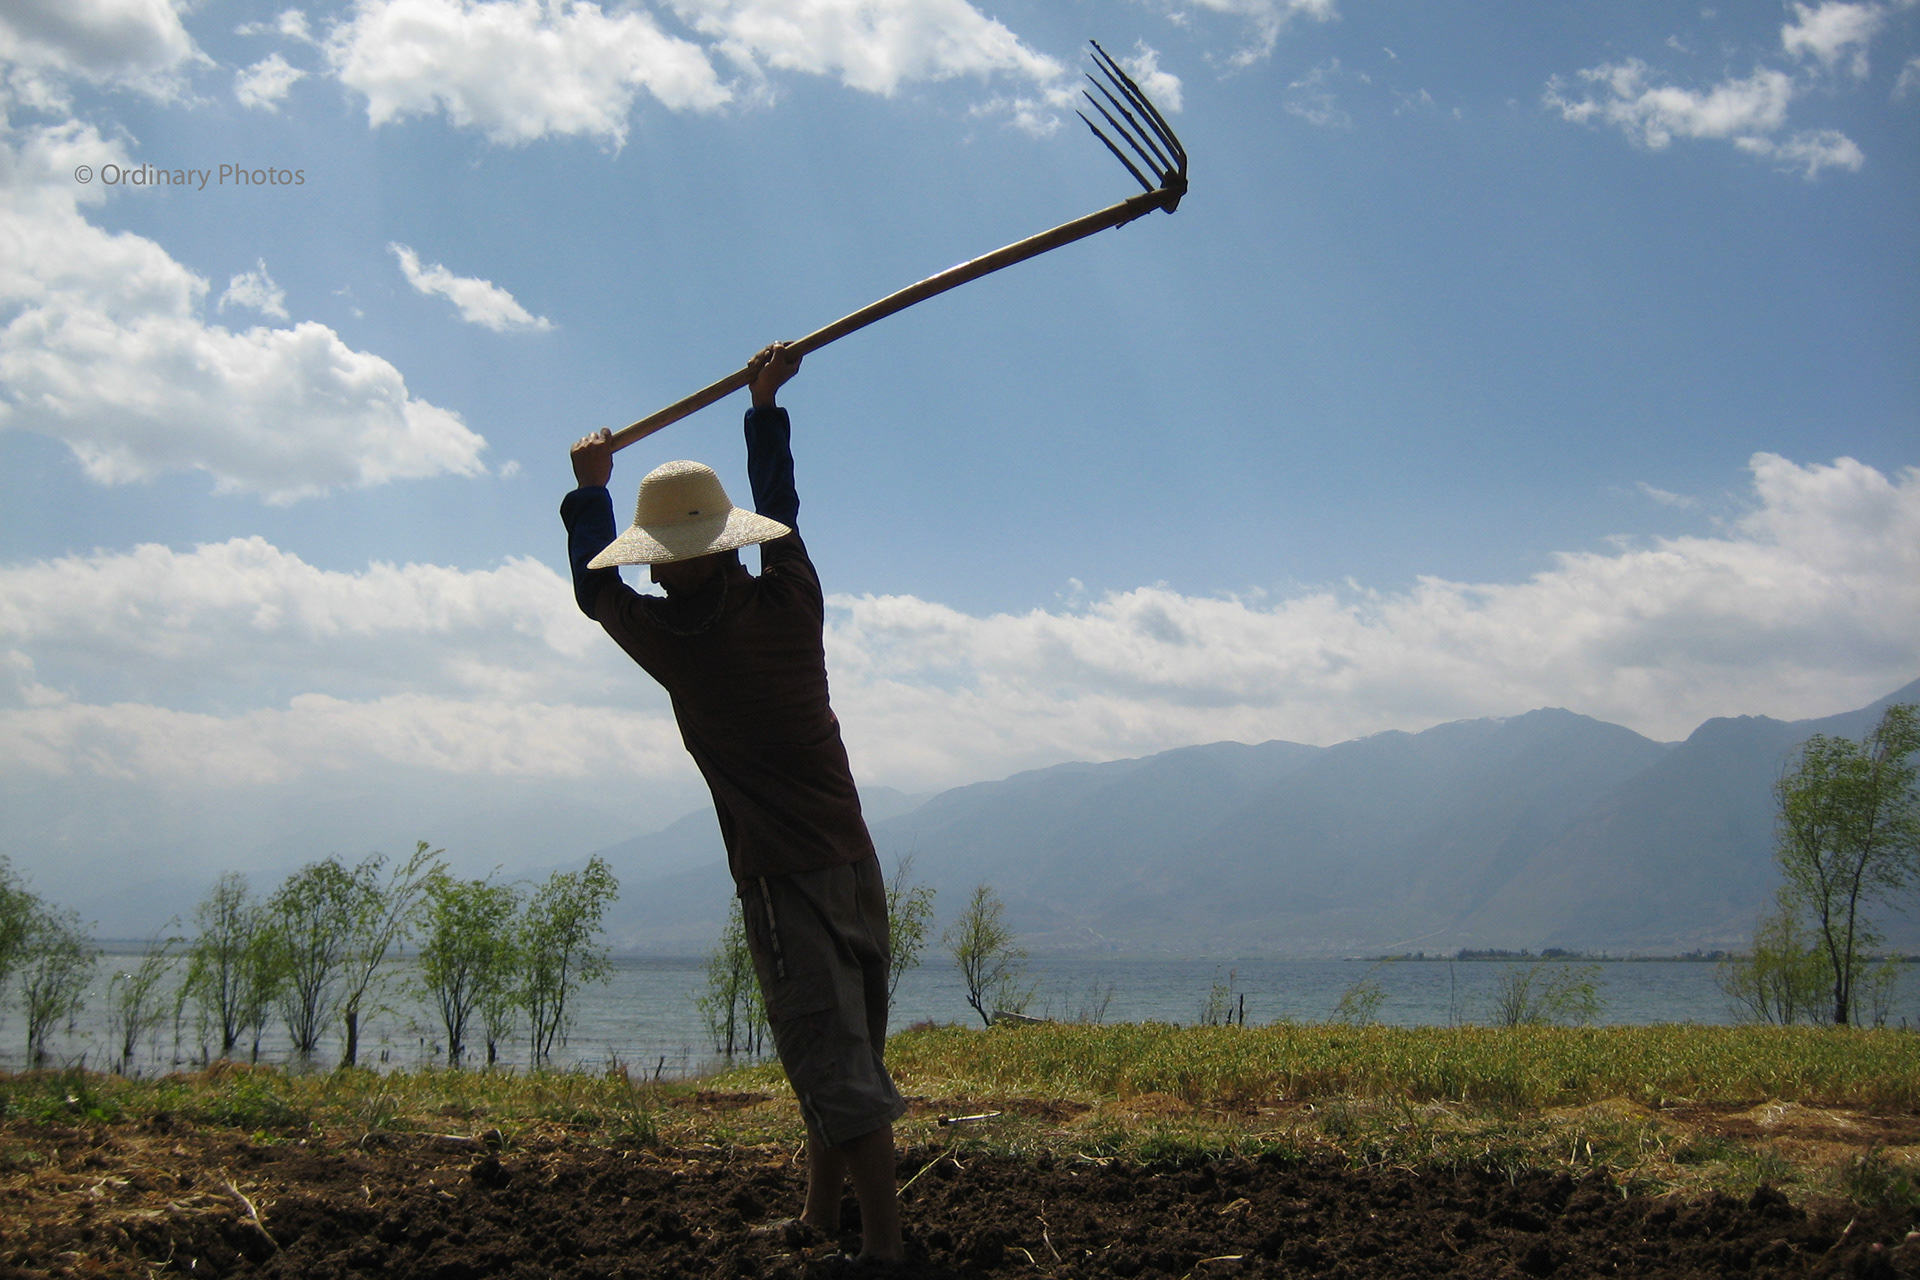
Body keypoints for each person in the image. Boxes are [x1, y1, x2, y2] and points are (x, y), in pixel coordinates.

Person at [563, 343, 907, 1269]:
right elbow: (785, 511)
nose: (653, 578)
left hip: (785, 881)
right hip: (854, 865)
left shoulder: (680, 645)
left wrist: (589, 489)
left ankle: (881, 1251)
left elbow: (595, 588)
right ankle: (818, 1215)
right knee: (840, 1060)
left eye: (659, 564)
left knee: (833, 1067)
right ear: (731, 544)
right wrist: (762, 406)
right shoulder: (794, 597)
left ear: (672, 566)